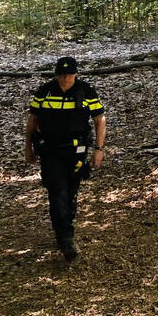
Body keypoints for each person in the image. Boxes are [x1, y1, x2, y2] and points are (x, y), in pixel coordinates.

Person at [24, 56, 106, 262]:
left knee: (70, 193)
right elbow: (33, 119)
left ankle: (65, 227)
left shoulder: (86, 91)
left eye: (69, 75)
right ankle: (65, 238)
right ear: (56, 75)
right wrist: (28, 148)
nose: (65, 79)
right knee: (57, 191)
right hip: (50, 150)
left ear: (76, 74)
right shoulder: (45, 91)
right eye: (61, 75)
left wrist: (99, 149)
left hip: (77, 152)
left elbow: (99, 119)